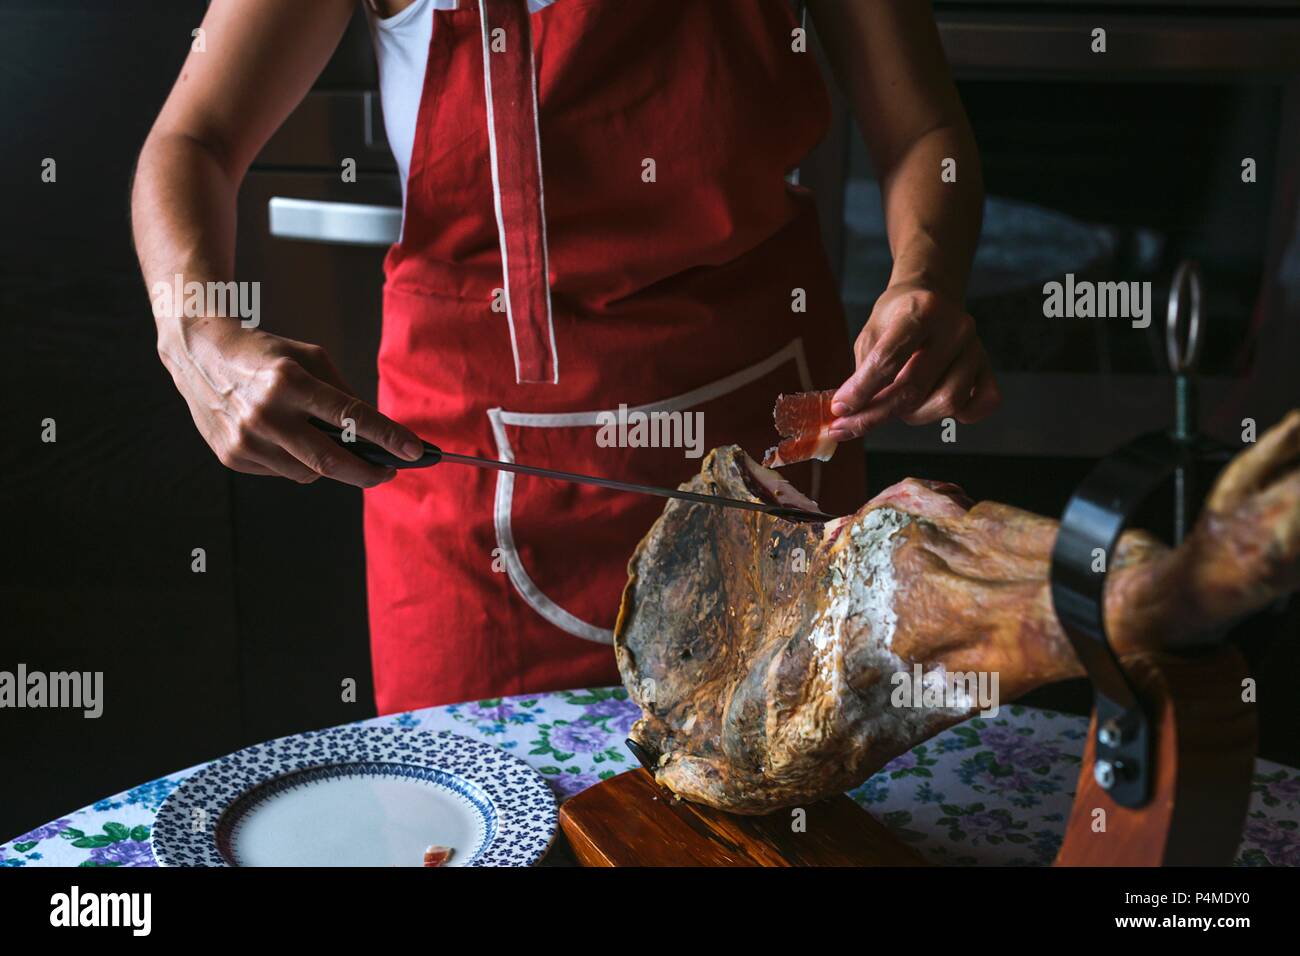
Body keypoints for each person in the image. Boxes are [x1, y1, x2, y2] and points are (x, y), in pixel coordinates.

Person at [131, 0, 999, 713]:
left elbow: (923, 130)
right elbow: (193, 141)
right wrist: (196, 334)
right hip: (473, 506)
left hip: (769, 470)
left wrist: (926, 280)